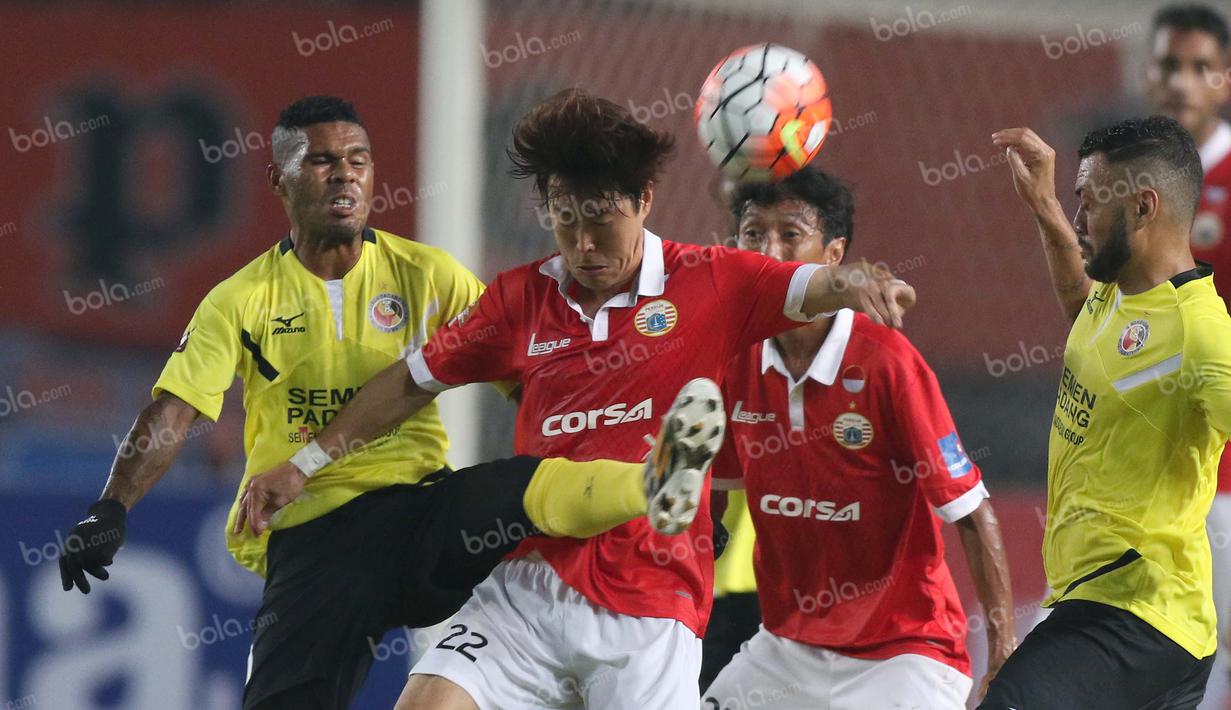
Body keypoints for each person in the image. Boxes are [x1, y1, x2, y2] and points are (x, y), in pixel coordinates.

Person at [242, 88, 917, 709]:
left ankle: (655, 485)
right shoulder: (519, 298)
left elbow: (812, 286)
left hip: (650, 600)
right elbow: (411, 381)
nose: (584, 244)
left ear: (644, 200)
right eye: (564, 221)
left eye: (601, 220)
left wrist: (858, 281)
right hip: (526, 585)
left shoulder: (712, 280)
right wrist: (304, 463)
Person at [54, 95, 715, 710]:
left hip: (422, 516)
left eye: (358, 160)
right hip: (317, 540)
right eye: (321, 161)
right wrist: (111, 507)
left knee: (514, 487)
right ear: (279, 180)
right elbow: (173, 412)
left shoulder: (431, 276)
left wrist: (641, 477)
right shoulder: (240, 300)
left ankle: (651, 487)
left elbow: (542, 387)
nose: (344, 175)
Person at [701, 165, 1015, 709]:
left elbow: (971, 512)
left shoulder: (889, 363)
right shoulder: (736, 360)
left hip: (905, 652)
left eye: (790, 234)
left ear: (834, 254)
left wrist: (1004, 655)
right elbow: (715, 500)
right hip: (786, 647)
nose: (768, 252)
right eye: (753, 234)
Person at [986, 116, 1231, 708]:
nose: (1079, 219)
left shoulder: (1200, 333)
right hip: (1121, 614)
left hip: (1137, 612)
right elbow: (1083, 317)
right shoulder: (1115, 288)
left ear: (1143, 207)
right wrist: (1043, 206)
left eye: (1090, 203)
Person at [1144, 7, 1231, 704]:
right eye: (1168, 65)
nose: (1182, 82)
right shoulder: (1128, 175)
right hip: (1142, 447)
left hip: (1221, 459)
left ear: (1225, 78)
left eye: (1200, 67)